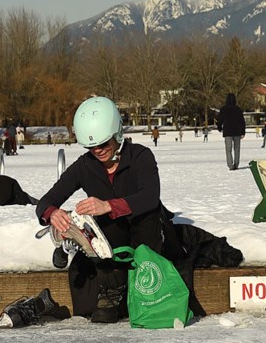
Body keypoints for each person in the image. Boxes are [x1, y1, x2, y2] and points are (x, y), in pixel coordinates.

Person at [36, 96, 177, 324]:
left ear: (117, 134)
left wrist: (109, 205)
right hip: (112, 240)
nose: (98, 151)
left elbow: (150, 196)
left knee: (144, 215)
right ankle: (112, 290)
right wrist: (53, 213)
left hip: (146, 233)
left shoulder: (141, 156)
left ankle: (146, 282)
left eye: (103, 144)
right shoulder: (84, 165)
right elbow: (47, 200)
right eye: (92, 147)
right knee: (98, 226)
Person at [217, 93, 246, 170]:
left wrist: (219, 127)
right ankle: (236, 164)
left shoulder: (223, 109)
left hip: (227, 131)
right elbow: (242, 121)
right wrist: (243, 132)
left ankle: (230, 165)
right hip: (237, 131)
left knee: (228, 149)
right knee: (237, 149)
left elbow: (220, 120)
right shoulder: (238, 109)